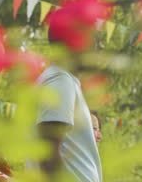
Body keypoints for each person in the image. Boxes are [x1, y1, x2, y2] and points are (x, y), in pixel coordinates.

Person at [36, 29, 103, 182]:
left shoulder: (61, 80)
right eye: (95, 40)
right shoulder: (60, 80)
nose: (101, 46)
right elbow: (48, 154)